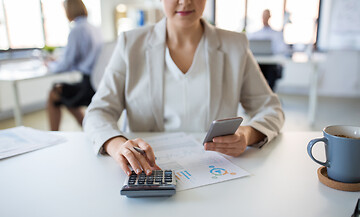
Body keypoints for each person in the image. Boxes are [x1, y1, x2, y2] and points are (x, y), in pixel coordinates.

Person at [83, 0, 285, 176]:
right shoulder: (131, 44)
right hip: (149, 170)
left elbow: (270, 109)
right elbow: (98, 112)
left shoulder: (235, 46)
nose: (185, 1)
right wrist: (117, 144)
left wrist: (247, 134)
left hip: (215, 172)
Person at [46, 0, 102, 131]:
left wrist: (51, 66)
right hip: (99, 82)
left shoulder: (77, 30)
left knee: (55, 92)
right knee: (65, 95)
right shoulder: (95, 28)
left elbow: (66, 63)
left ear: (69, 10)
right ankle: (87, 128)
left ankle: (53, 135)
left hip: (89, 86)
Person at [247, 9, 287, 90]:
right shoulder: (255, 34)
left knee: (271, 73)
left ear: (270, 17)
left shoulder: (276, 34)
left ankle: (269, 97)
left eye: (266, 16)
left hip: (271, 65)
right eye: (263, 16)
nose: (264, 18)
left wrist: (272, 51)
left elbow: (282, 49)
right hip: (258, 63)